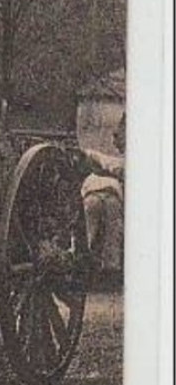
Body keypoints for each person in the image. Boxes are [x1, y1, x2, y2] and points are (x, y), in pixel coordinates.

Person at [81, 115, 125, 278]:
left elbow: (119, 168)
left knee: (91, 225)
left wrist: (94, 156)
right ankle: (110, 266)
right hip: (109, 192)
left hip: (96, 191)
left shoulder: (96, 154)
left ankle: (89, 262)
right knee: (111, 220)